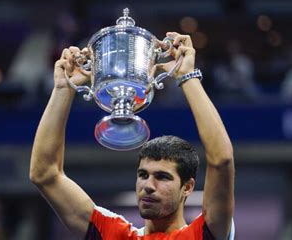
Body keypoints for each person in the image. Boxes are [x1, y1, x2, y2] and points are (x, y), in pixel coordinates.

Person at [30, 32, 235, 239]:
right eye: (143, 175)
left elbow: (222, 159)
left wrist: (186, 77)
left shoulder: (203, 233)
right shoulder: (115, 235)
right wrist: (64, 88)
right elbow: (44, 174)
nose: (148, 186)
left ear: (187, 187)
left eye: (162, 177)